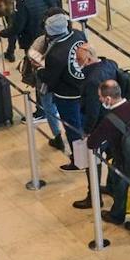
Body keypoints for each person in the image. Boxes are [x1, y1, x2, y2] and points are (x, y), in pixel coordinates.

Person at [87, 78, 130, 235]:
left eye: (100, 97)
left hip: (123, 162)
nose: (99, 100)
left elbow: (92, 143)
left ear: (108, 99)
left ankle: (117, 215)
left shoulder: (109, 120)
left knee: (120, 190)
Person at [41, 13, 88, 168]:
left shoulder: (55, 54)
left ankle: (79, 161)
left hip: (66, 96)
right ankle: (89, 154)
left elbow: (50, 79)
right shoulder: (78, 35)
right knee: (84, 123)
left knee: (72, 129)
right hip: (84, 88)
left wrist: (39, 72)